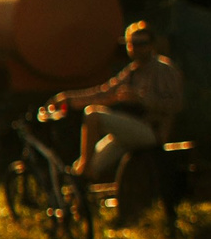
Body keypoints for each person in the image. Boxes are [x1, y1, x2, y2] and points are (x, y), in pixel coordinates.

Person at [52, 20, 183, 179]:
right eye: (132, 43)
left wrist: (141, 100)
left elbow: (175, 104)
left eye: (143, 43)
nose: (137, 48)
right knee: (82, 166)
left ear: (152, 45)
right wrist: (67, 98)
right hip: (130, 129)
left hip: (152, 131)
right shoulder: (132, 71)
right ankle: (82, 186)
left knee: (92, 115)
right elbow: (103, 93)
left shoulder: (163, 69)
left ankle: (85, 169)